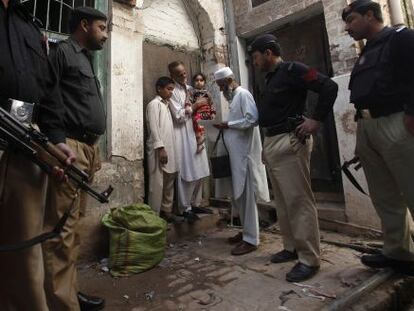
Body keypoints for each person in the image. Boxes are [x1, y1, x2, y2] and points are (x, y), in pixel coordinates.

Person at [0, 0, 75, 310]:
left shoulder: (28, 22)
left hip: (24, 141)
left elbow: (48, 88)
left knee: (24, 250)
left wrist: (55, 138)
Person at [249, 34, 338, 282]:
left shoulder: (293, 69)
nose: (254, 62)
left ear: (268, 53)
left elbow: (329, 86)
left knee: (298, 201)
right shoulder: (270, 78)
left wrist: (316, 120)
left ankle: (309, 259)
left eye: (255, 57)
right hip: (273, 142)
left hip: (290, 140)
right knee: (284, 201)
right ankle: (291, 247)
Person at [42, 7, 108, 311]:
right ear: (84, 25)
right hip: (69, 147)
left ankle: (69, 291)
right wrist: (57, 142)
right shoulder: (62, 53)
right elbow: (48, 99)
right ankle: (60, 302)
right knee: (62, 230)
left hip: (87, 149)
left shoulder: (84, 57)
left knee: (74, 227)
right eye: (102, 27)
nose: (105, 35)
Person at [342, 0, 414, 275]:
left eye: (351, 20)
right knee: (385, 196)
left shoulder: (401, 37)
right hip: (369, 126)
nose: (348, 27)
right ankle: (400, 254)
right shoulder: (368, 50)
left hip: (397, 123)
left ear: (370, 15)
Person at [213, 67, 270, 256]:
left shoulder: (243, 94)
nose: (221, 90)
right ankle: (246, 232)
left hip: (245, 157)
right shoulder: (234, 98)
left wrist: (228, 124)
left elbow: (252, 119)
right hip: (237, 156)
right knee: (240, 197)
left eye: (222, 86)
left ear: (229, 81)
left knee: (246, 197)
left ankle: (251, 240)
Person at [168, 61, 210, 221]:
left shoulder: (191, 89)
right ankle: (185, 207)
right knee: (187, 170)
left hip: (196, 131)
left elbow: (202, 107)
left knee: (200, 168)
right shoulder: (173, 92)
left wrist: (202, 106)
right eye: (179, 74)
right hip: (183, 135)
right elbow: (178, 116)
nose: (184, 76)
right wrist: (194, 106)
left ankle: (195, 202)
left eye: (184, 72)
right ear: (172, 75)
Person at [146, 77, 182, 222]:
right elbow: (154, 128)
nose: (171, 92)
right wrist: (160, 148)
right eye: (169, 89)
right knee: (157, 183)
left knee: (169, 179)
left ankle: (166, 210)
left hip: (170, 148)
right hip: (158, 149)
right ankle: (154, 216)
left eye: (172, 89)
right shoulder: (154, 105)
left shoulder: (166, 105)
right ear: (159, 89)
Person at [189, 73, 216, 153]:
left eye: (201, 80)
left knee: (203, 127)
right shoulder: (192, 93)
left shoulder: (207, 94)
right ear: (193, 82)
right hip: (197, 114)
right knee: (196, 125)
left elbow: (212, 104)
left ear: (204, 82)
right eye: (197, 80)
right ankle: (199, 144)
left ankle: (201, 140)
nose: (199, 82)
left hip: (206, 113)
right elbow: (190, 103)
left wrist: (213, 113)